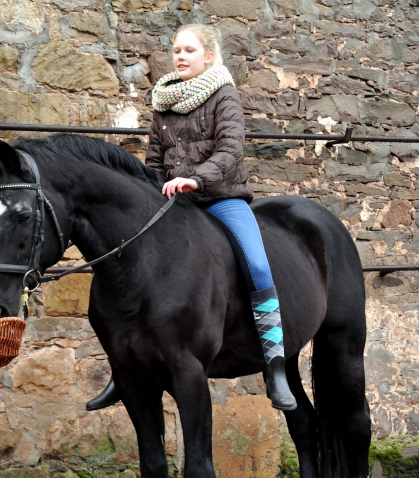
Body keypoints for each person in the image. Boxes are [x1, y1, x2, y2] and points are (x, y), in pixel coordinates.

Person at [86, 23, 297, 412]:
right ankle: (124, 371)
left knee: (258, 266)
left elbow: (231, 150)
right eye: (177, 50)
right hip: (172, 203)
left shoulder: (225, 96)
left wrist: (195, 180)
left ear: (209, 57)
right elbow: (152, 161)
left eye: (189, 50)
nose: (181, 57)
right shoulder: (163, 100)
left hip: (222, 198)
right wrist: (148, 192)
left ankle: (276, 364)